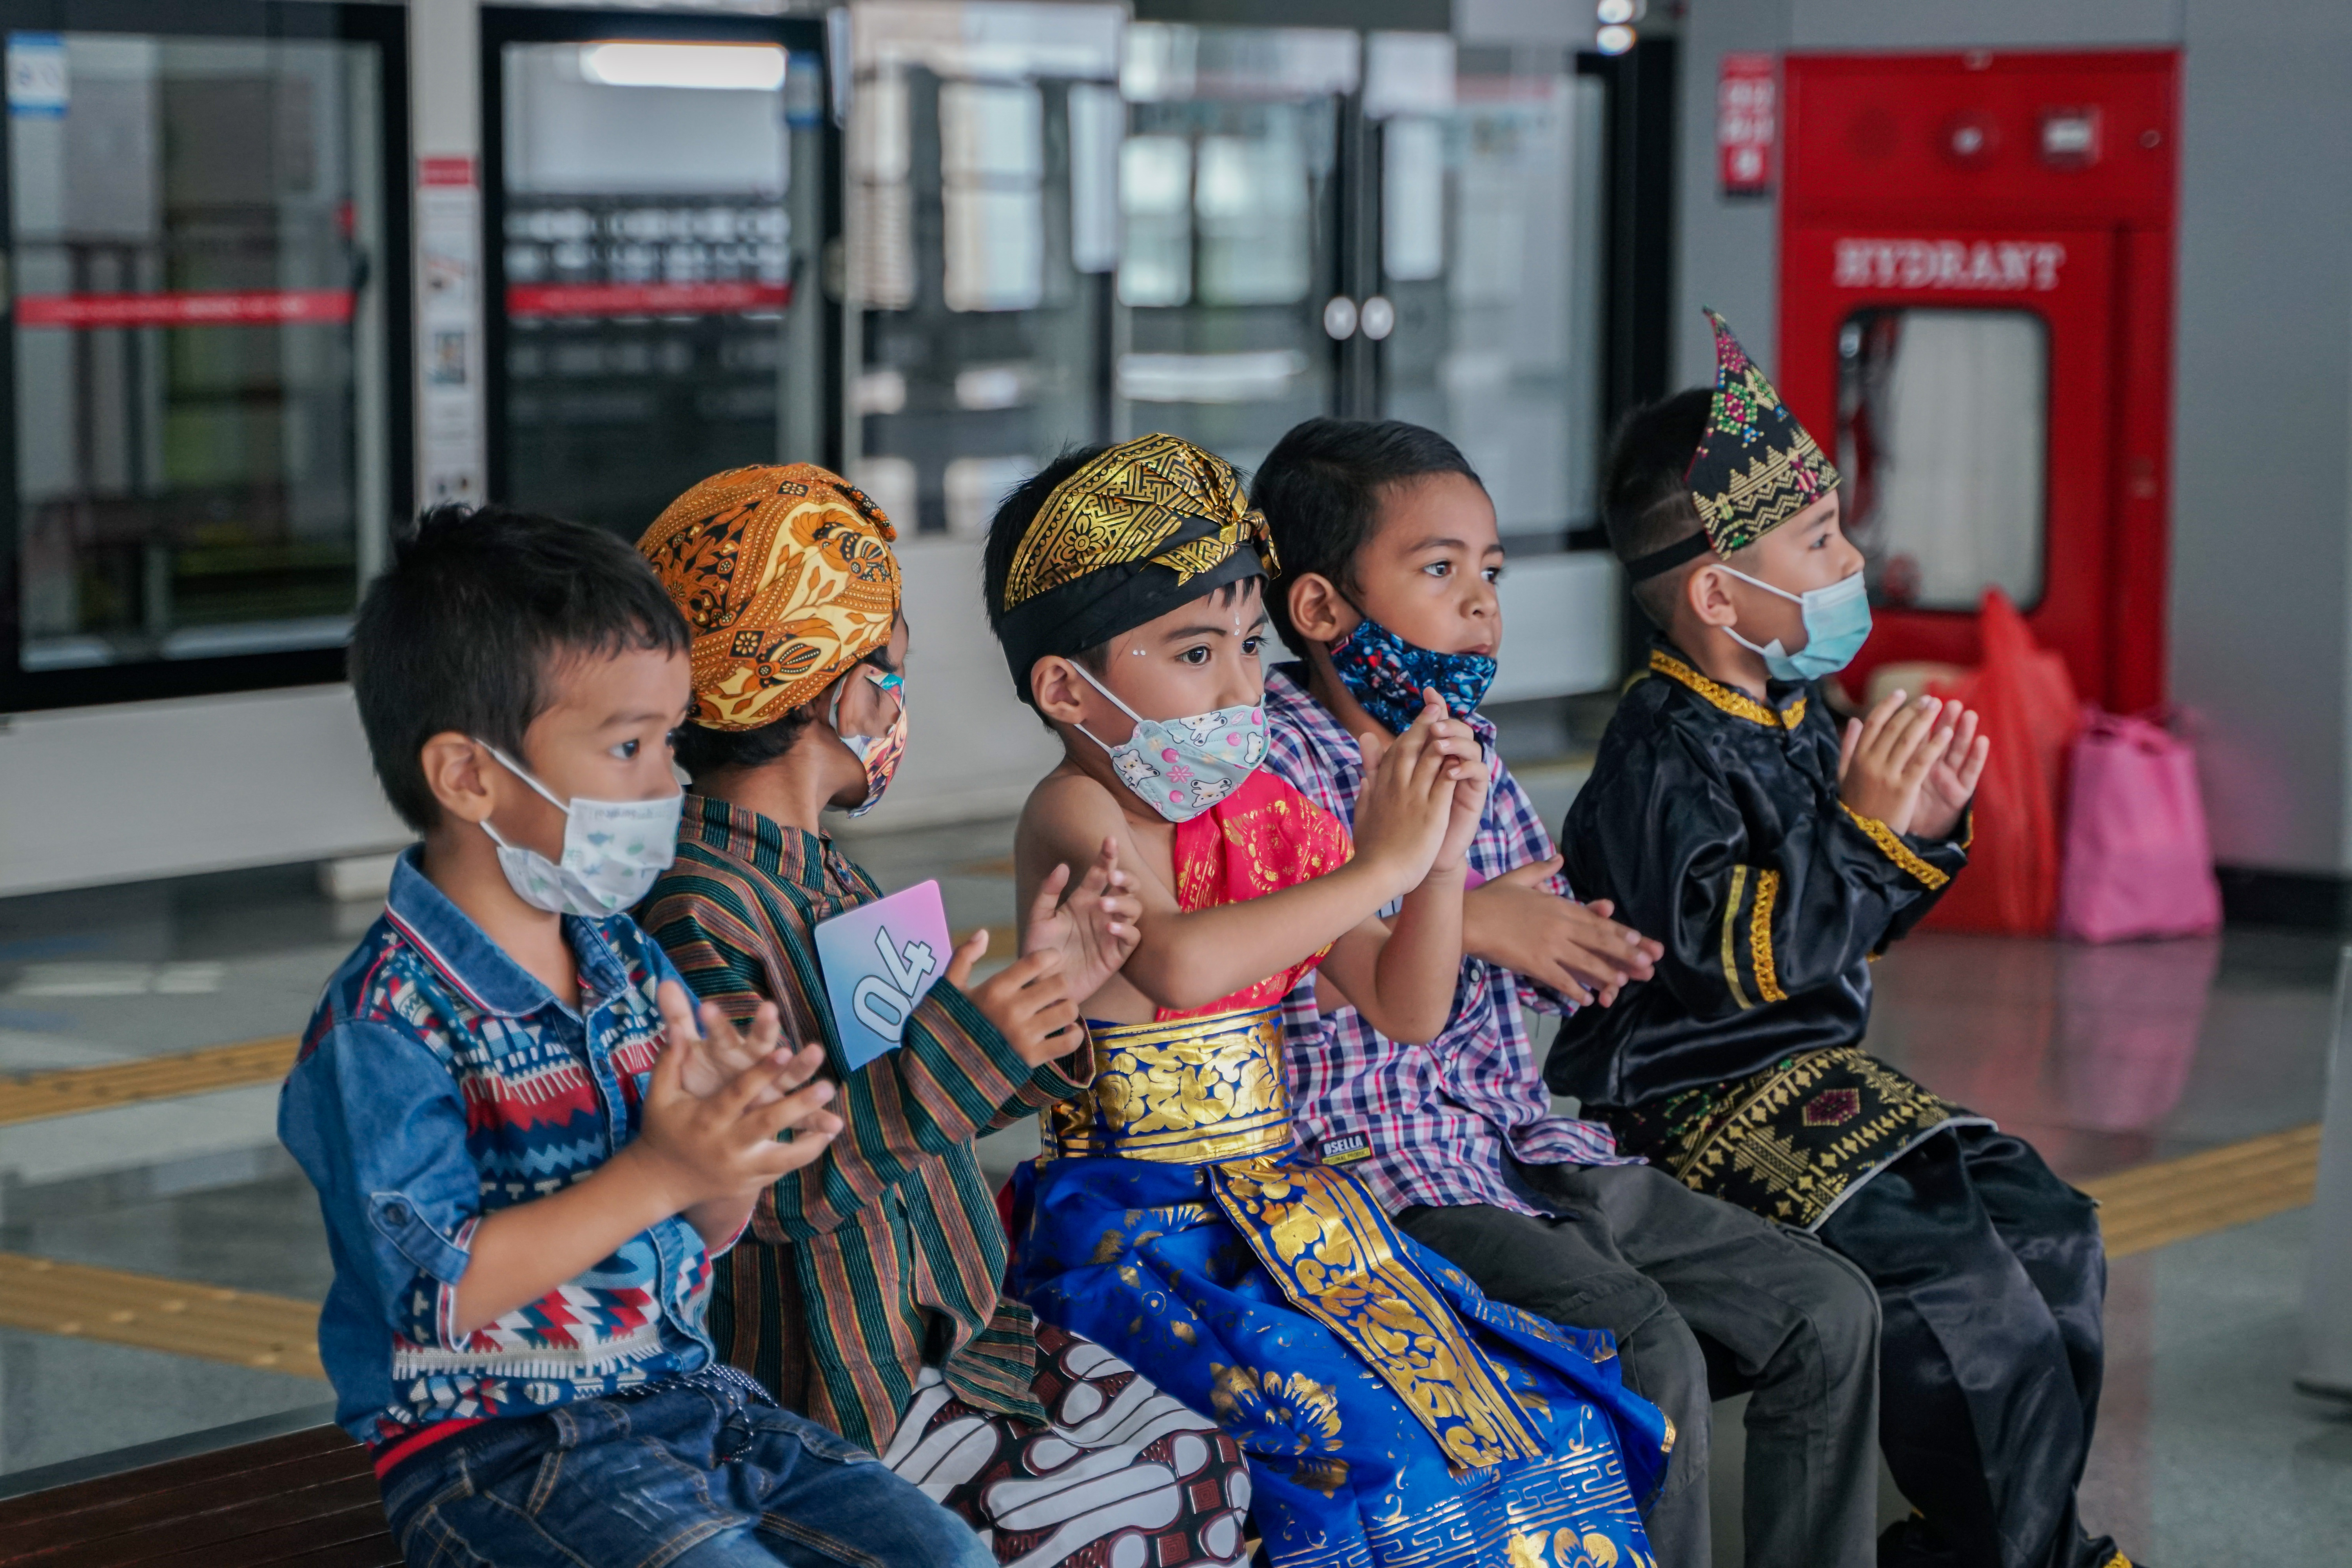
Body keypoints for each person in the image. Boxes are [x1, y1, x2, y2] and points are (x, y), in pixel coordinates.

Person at [985, 432, 1672, 1568]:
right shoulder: (1073, 809)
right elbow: (1183, 967)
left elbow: (1405, 1004)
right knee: (1370, 1454)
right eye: (1196, 652)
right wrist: (1380, 865)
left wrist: (1438, 864)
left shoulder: (1261, 811)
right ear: (1067, 689)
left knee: (1536, 1418)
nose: (1242, 687)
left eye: (1250, 646)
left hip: (1283, 1203)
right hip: (1140, 1225)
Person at [279, 504, 996, 1568]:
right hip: (502, 1455)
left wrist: (738, 1152)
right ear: (470, 777)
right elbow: (437, 1297)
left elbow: (705, 1227)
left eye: (667, 740)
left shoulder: (626, 964)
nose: (666, 782)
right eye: (627, 747)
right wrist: (663, 1170)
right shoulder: (386, 1023)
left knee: (949, 1558)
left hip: (691, 1402)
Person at [1249, 415, 1886, 1568]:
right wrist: (1481, 919)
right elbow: (1330, 981)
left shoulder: (1472, 747)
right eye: (1439, 570)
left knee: (1829, 1312)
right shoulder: (1271, 768)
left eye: (1490, 573)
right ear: (1321, 609)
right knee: (1647, 1349)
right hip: (1381, 1178)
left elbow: (1535, 960)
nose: (1481, 604)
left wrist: (1554, 942)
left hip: (1525, 1148)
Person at [1553, 310, 2129, 1568]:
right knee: (1956, 1287)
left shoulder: (1793, 709)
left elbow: (1852, 923)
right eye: (1818, 538)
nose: (1852, 558)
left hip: (1811, 1081)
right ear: (1717, 593)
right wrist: (1866, 836)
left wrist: (1914, 830)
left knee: (2055, 1234)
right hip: (1690, 1105)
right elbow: (1737, 963)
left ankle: (2010, 1546)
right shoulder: (1660, 756)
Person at [632, 463, 1253, 1568]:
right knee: (1149, 1511)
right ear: (835, 693)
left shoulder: (833, 878)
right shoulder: (697, 912)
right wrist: (968, 1049)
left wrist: (1050, 999)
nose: (894, 706)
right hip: (837, 1388)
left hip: (960, 1343)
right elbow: (756, 1189)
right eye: (893, 674)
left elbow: (934, 1106)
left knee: (1208, 1458)